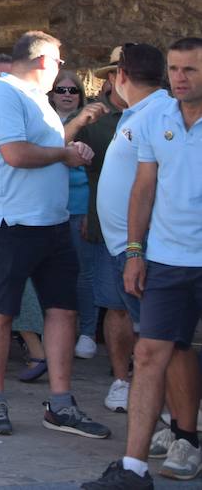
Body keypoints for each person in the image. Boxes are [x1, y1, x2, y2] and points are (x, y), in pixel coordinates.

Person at [0, 29, 109, 440]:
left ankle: (61, 403)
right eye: (60, 61)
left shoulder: (40, 103)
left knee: (63, 309)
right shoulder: (2, 94)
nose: (61, 69)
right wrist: (64, 153)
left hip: (52, 222)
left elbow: (48, 148)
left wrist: (73, 146)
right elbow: (15, 154)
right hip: (10, 223)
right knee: (1, 311)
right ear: (45, 61)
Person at [84, 37, 202, 489]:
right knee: (150, 353)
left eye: (190, 69)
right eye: (174, 68)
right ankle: (133, 469)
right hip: (164, 258)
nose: (180, 77)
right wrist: (136, 252)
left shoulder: (150, 112)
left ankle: (185, 437)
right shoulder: (159, 118)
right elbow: (143, 188)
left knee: (172, 351)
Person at [93, 44, 169, 417]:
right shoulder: (134, 114)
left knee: (159, 337)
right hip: (122, 245)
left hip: (141, 247)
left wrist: (138, 248)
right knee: (142, 328)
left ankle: (173, 415)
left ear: (121, 76)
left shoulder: (158, 113)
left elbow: (155, 185)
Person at [51, 68, 103, 360]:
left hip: (80, 205)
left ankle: (87, 331)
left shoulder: (90, 123)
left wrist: (91, 213)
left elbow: (96, 171)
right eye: (62, 90)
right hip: (51, 206)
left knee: (84, 272)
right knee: (56, 274)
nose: (67, 95)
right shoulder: (43, 121)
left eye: (73, 91)